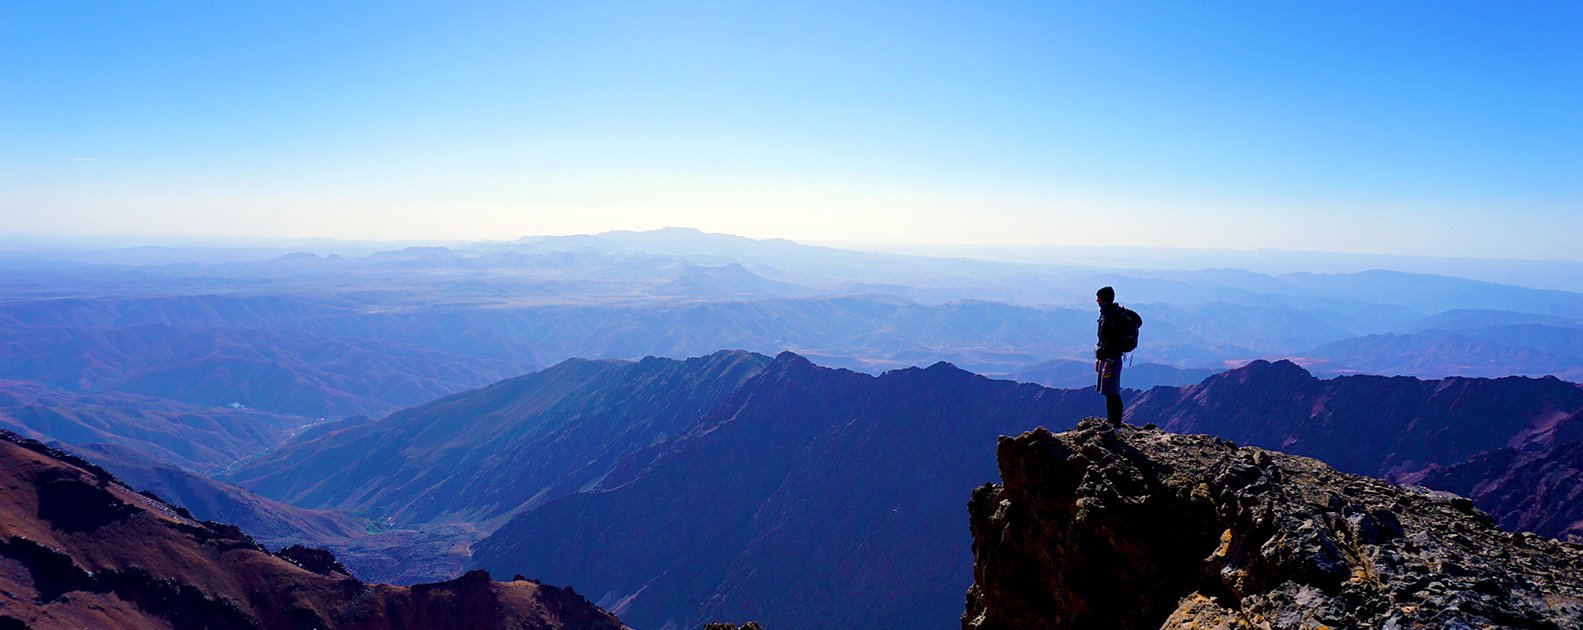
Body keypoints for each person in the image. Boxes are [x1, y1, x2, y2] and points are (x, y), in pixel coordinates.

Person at [1094, 286, 1138, 427]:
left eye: (1099, 298)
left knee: (1113, 393)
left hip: (1111, 360)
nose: (1097, 301)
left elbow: (1110, 341)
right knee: (1109, 392)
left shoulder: (1112, 317)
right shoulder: (1108, 314)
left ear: (1104, 299)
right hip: (1107, 359)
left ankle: (1116, 428)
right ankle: (1111, 423)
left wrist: (1107, 357)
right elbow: (1103, 339)